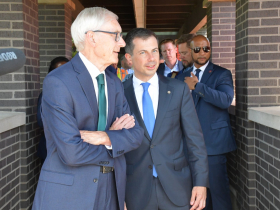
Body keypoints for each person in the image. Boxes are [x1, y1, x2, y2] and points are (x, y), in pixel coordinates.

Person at [32, 7, 143, 210]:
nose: (122, 43)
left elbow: (136, 134)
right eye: (116, 35)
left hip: (111, 193)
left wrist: (104, 136)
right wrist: (114, 139)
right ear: (92, 38)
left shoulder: (113, 81)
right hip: (70, 196)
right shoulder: (58, 81)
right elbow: (72, 152)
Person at [123, 28, 209, 210]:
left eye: (154, 51)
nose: (152, 58)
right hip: (135, 191)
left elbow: (195, 139)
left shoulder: (178, 89)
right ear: (129, 58)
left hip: (176, 187)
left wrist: (201, 183)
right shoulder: (119, 93)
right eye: (143, 52)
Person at [177, 35, 236, 210]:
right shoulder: (181, 76)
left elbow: (225, 100)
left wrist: (198, 87)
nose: (202, 53)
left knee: (218, 194)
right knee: (195, 196)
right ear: (190, 51)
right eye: (197, 49)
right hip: (189, 146)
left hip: (214, 144)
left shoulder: (221, 73)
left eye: (206, 49)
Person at [37, 56, 69, 165]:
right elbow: (40, 121)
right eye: (58, 71)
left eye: (66, 70)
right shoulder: (46, 94)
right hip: (51, 149)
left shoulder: (78, 94)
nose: (63, 74)